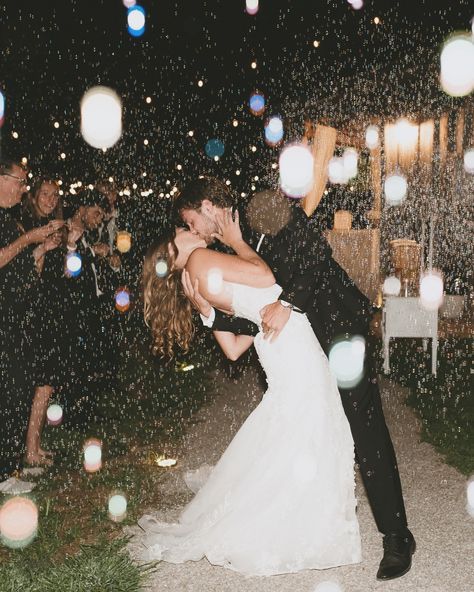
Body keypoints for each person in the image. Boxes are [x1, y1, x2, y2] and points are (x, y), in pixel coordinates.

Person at [174, 176, 415, 581]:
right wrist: (210, 314)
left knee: (363, 422)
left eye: (191, 221)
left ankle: (396, 536)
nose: (194, 231)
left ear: (207, 206)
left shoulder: (262, 205)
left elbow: (315, 257)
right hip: (298, 344)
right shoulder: (230, 242)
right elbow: (254, 310)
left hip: (335, 323)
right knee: (312, 425)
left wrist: (287, 302)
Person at [137, 213, 361, 576]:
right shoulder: (198, 260)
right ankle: (302, 521)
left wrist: (207, 314)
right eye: (184, 231)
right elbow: (266, 277)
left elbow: (234, 349)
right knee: (313, 419)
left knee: (300, 423)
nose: (192, 231)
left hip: (276, 343)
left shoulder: (194, 275)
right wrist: (239, 240)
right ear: (173, 251)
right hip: (288, 342)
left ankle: (295, 514)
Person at [0, 159, 62, 479]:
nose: (22, 188)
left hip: (22, 315)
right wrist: (30, 239)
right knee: (12, 392)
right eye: (20, 182)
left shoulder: (11, 219)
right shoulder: (17, 222)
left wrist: (43, 250)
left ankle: (15, 464)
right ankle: (10, 470)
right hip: (10, 319)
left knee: (21, 389)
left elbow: (27, 274)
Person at [21, 177, 65, 465]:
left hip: (49, 311)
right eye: (45, 194)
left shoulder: (53, 228)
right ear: (34, 196)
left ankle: (33, 447)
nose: (50, 200)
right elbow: (28, 278)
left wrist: (66, 245)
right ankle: (29, 450)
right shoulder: (26, 228)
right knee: (41, 382)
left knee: (45, 382)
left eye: (55, 196)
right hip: (30, 312)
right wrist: (43, 247)